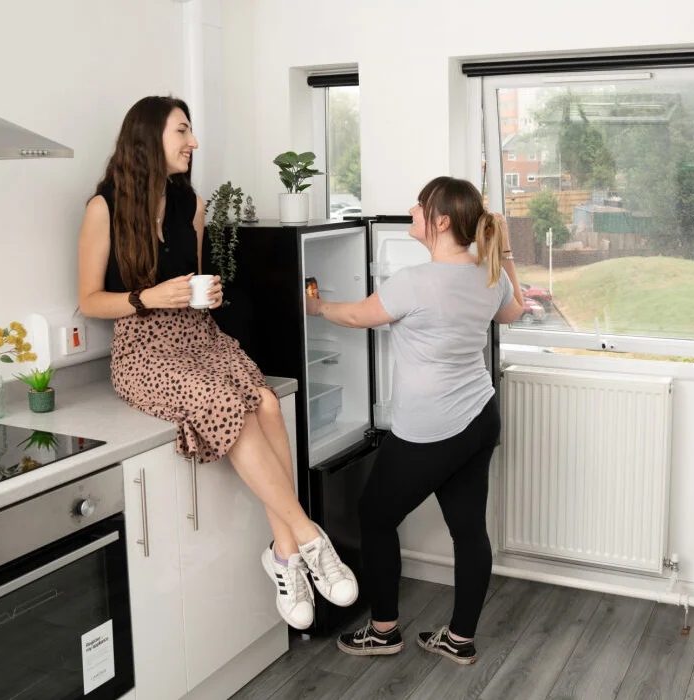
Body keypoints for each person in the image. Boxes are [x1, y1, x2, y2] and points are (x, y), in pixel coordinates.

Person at [77, 96, 357, 630]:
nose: (193, 142)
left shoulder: (192, 205)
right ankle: (311, 541)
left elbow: (194, 281)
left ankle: (281, 553)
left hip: (199, 336)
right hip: (143, 349)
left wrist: (206, 294)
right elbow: (89, 300)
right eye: (183, 131)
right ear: (147, 137)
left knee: (269, 404)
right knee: (230, 400)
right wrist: (147, 298)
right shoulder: (103, 208)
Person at [305, 176, 525, 665]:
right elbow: (514, 313)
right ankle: (459, 639)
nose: (412, 210)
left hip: (430, 429)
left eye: (420, 206)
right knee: (469, 530)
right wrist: (504, 249)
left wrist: (316, 306)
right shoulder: (490, 275)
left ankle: (384, 631)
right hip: (479, 418)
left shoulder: (415, 281)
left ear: (441, 221)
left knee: (375, 516)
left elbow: (357, 317)